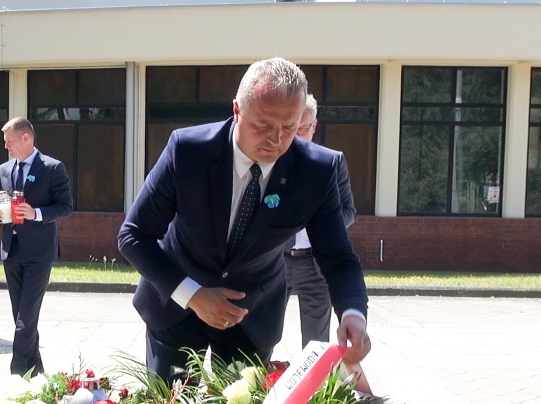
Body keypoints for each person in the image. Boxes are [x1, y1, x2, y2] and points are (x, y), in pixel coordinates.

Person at [118, 58, 369, 384]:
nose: (276, 140)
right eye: (263, 125)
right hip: (176, 306)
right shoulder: (188, 151)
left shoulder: (317, 173)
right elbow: (134, 236)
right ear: (237, 111)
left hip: (252, 314)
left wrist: (353, 314)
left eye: (290, 127)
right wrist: (193, 295)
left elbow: (338, 258)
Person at [0, 118, 73, 376]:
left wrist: (36, 212)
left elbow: (65, 207)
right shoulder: (5, 169)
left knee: (26, 317)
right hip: (11, 249)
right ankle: (36, 372)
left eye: (9, 141)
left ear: (26, 138)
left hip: (39, 252)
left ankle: (16, 372)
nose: (6, 146)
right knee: (22, 316)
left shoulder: (52, 167)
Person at [284, 94, 357, 349]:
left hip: (315, 264)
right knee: (262, 339)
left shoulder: (331, 163)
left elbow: (349, 211)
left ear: (315, 126)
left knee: (316, 345)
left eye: (305, 128)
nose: (299, 135)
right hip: (276, 261)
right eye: (294, 128)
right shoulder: (272, 159)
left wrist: (322, 222)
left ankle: (314, 389)